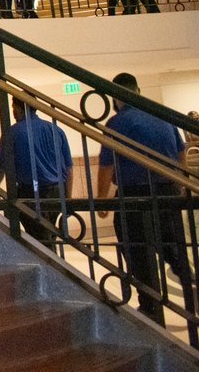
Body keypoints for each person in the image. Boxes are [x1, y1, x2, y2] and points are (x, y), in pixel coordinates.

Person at [97, 72, 197, 329]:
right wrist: (182, 185)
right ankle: (192, 295)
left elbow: (107, 165)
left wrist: (101, 201)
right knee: (174, 247)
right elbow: (180, 152)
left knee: (136, 249)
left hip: (134, 196)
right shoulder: (162, 117)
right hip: (167, 191)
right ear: (138, 91)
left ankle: (151, 307)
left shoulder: (117, 122)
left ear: (115, 97)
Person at [0, 99, 73, 247]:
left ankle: (50, 268)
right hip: (57, 191)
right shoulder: (55, 130)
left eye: (13, 107)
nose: (13, 112)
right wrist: (68, 197)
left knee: (39, 238)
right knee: (49, 234)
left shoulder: (13, 132)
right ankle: (53, 264)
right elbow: (68, 167)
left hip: (31, 192)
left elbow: (0, 168)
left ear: (18, 108)